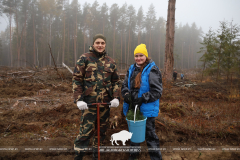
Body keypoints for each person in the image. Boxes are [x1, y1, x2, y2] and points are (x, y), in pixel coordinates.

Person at [72, 34, 120, 160]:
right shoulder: (84, 58)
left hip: (105, 104)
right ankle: (78, 157)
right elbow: (77, 80)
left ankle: (97, 157)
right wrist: (79, 100)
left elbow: (115, 82)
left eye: (102, 43)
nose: (100, 45)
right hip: (89, 104)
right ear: (93, 44)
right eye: (97, 42)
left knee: (101, 133)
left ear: (105, 44)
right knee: (85, 133)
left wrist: (116, 97)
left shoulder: (111, 61)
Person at [121, 44, 163, 160]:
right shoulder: (131, 69)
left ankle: (156, 158)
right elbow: (124, 86)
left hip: (146, 109)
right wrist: (126, 95)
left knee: (150, 137)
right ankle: (133, 157)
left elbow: (157, 92)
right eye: (136, 56)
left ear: (146, 56)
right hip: (132, 108)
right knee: (133, 136)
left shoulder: (152, 69)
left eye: (141, 55)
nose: (138, 58)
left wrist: (142, 99)